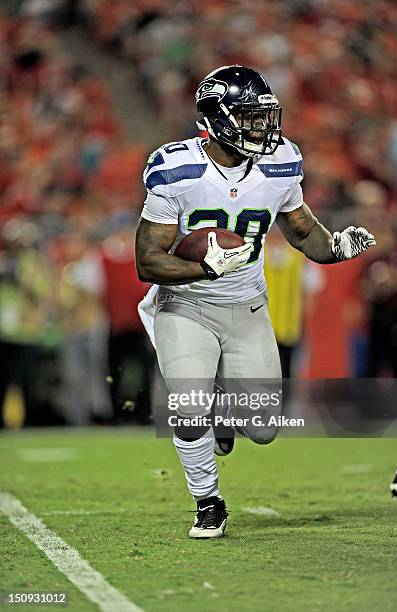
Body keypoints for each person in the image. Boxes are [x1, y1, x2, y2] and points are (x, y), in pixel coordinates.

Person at [135, 65, 376, 539]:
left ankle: (220, 411)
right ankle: (208, 501)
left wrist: (337, 248)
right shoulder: (176, 168)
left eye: (265, 116)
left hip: (247, 305)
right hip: (185, 304)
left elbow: (303, 230)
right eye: (249, 116)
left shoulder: (281, 161)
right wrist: (206, 268)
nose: (263, 127)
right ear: (218, 119)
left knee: (263, 428)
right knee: (186, 404)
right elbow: (148, 261)